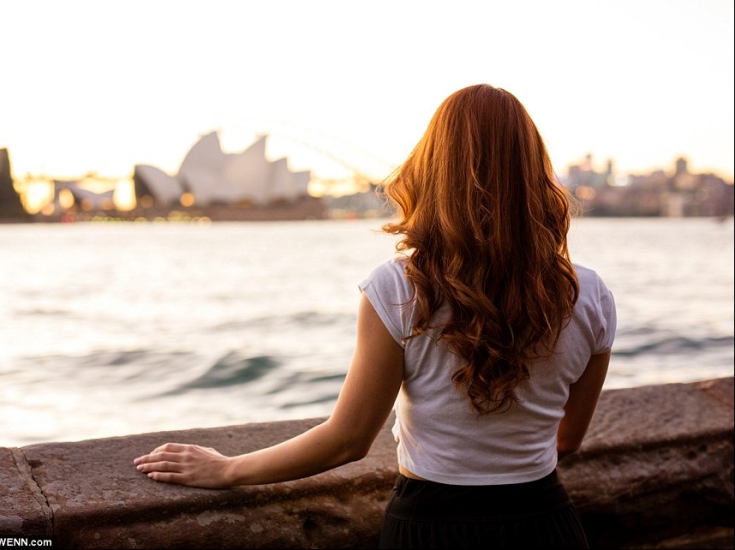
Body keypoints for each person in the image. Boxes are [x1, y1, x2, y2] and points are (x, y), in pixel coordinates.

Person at [133, 84, 617, 549]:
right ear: (534, 172)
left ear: (434, 168)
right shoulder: (591, 294)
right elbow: (568, 439)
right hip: (545, 523)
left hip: (431, 527)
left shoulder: (399, 287)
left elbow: (348, 440)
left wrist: (227, 469)